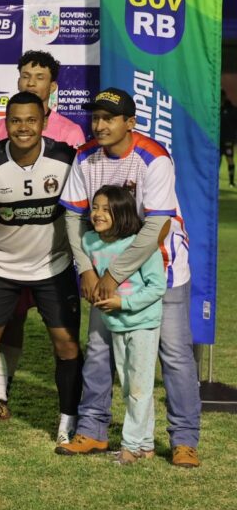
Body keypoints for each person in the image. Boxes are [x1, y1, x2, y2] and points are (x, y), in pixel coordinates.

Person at [56, 88, 201, 468]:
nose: (100, 125)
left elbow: (157, 226)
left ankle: (184, 439)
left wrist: (112, 275)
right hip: (104, 270)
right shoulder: (85, 156)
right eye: (96, 117)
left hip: (161, 269)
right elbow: (73, 217)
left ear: (130, 123)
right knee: (99, 350)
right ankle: (93, 429)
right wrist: (87, 270)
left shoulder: (153, 157)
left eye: (109, 118)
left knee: (174, 356)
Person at [0, 92, 81, 448]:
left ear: (44, 122)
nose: (23, 128)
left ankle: (68, 424)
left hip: (52, 267)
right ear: (6, 124)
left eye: (31, 120)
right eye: (15, 121)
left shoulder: (65, 158)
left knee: (67, 345)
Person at [0, 50, 86, 419]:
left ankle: (72, 408)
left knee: (61, 331)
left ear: (52, 86)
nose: (31, 82)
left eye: (39, 77)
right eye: (25, 75)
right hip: (7, 252)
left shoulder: (70, 133)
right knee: (7, 321)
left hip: (53, 253)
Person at [82, 186, 166, 464]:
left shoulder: (139, 246)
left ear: (123, 213)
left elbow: (158, 287)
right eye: (95, 207)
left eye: (107, 209)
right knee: (131, 386)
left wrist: (123, 303)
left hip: (143, 323)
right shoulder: (89, 241)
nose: (98, 214)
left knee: (139, 387)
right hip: (115, 324)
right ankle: (146, 445)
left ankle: (130, 448)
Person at [221, 91, 236, 188]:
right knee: (216, 161)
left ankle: (231, 182)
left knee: (230, 159)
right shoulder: (215, 109)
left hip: (228, 140)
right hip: (217, 141)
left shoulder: (231, 109)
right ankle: (214, 181)